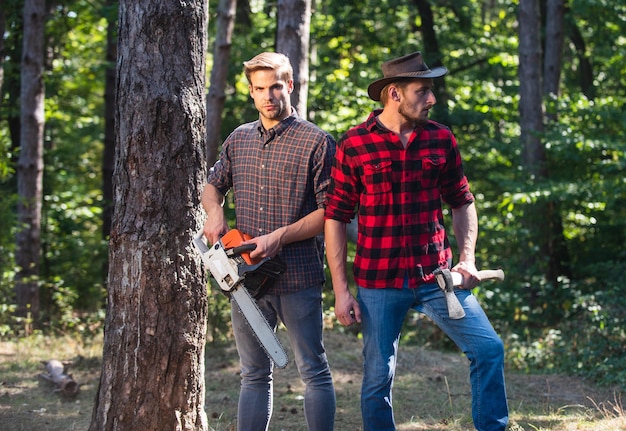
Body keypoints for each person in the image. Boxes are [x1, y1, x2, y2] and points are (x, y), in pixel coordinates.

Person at [324, 51, 509, 431]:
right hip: (379, 281)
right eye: (423, 90)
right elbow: (336, 219)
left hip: (437, 278)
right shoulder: (354, 144)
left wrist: (468, 259)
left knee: (489, 349)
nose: (432, 99)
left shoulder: (441, 139)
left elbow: (462, 201)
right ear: (394, 93)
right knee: (378, 377)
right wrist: (341, 292)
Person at [201, 52, 336, 430]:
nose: (268, 96)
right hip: (247, 279)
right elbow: (212, 187)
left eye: (275, 86)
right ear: (251, 92)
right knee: (253, 373)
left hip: (299, 277)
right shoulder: (239, 138)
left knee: (313, 370)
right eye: (259, 89)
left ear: (289, 85)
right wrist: (215, 212)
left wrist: (279, 237)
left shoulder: (317, 142)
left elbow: (331, 213)